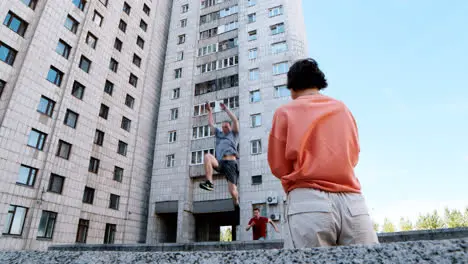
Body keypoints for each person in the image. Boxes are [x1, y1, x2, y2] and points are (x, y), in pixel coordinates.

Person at [267, 58, 379, 248]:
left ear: (291, 86)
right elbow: (353, 155)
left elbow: (278, 165)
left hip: (308, 201)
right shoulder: (342, 108)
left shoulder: (284, 111)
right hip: (352, 202)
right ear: (319, 83)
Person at [199, 102, 240, 208]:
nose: (224, 129)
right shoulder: (219, 134)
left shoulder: (234, 134)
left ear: (230, 127)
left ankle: (236, 202)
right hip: (220, 162)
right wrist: (210, 111)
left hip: (231, 163)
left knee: (232, 191)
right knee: (207, 156)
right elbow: (211, 124)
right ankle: (209, 183)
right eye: (223, 127)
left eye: (226, 127)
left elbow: (235, 120)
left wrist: (226, 109)